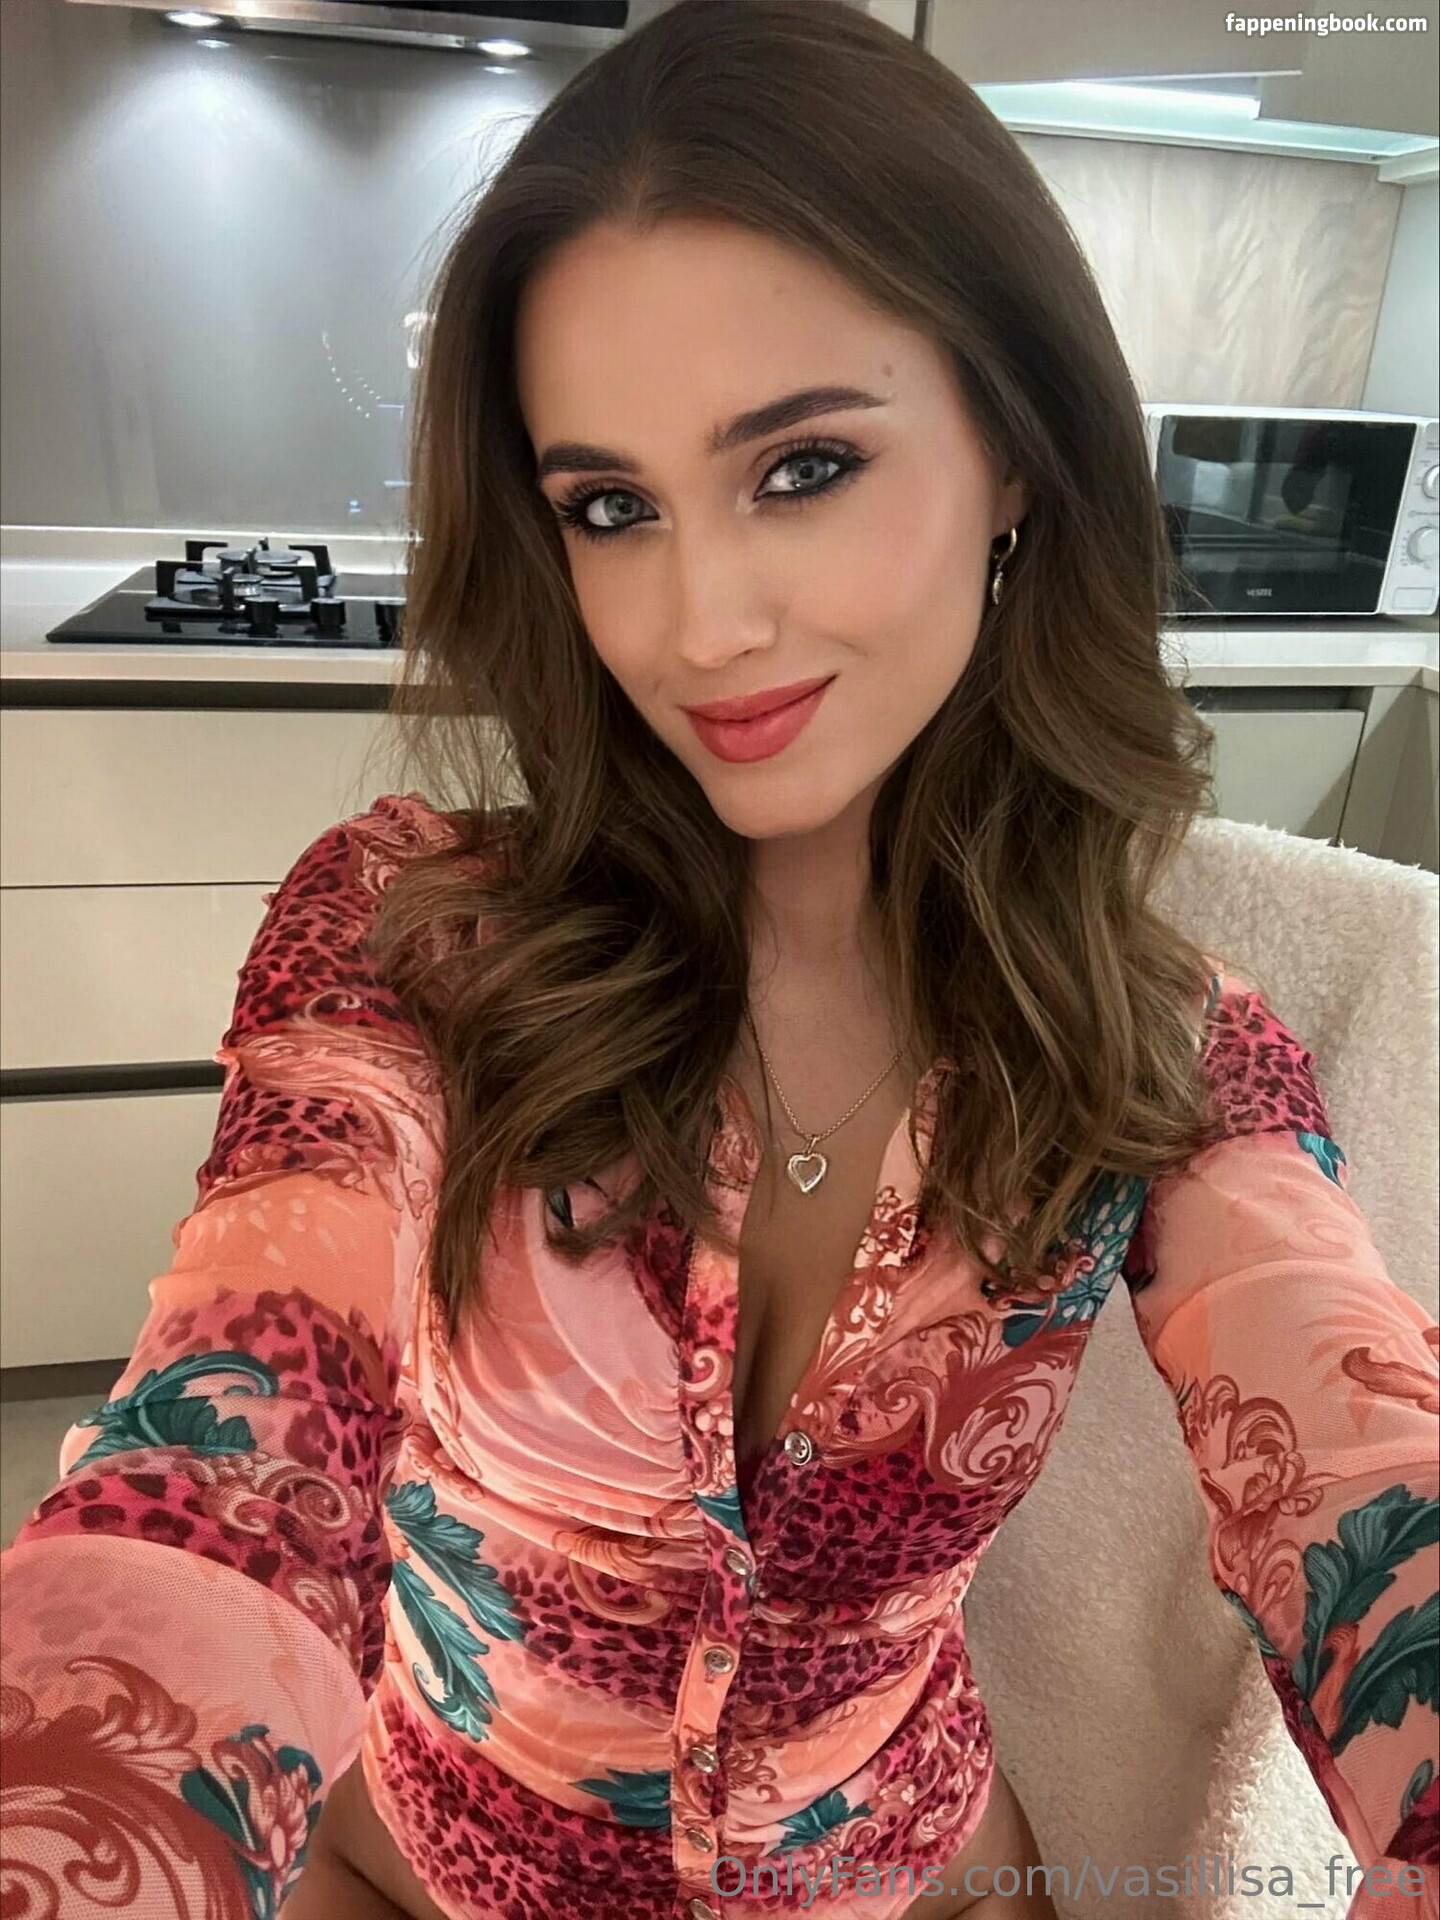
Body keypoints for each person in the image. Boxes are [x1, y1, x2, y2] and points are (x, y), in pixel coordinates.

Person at [3, 2, 1436, 1916]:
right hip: (425, 1871)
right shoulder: (411, 944)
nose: (699, 623)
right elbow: (221, 1461)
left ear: (1017, 453)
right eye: (612, 508)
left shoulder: (1162, 1045)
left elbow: (1359, 1459)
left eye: (803, 466)